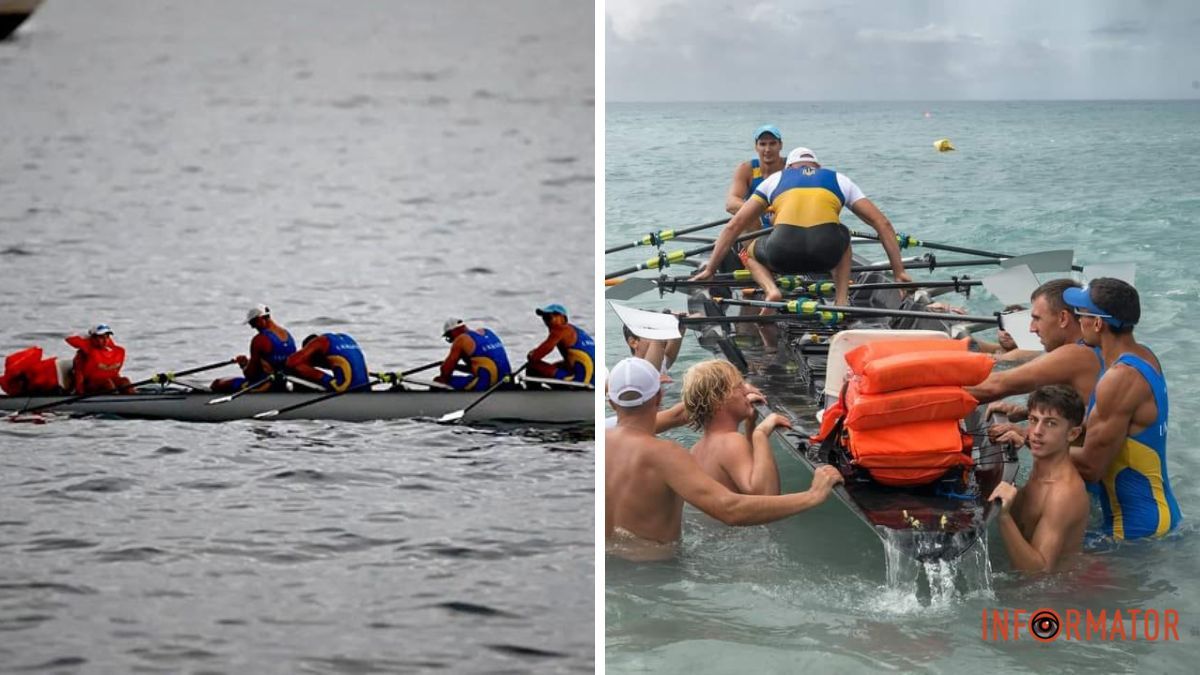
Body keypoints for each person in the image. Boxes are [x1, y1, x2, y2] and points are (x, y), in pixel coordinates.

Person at [605, 357, 843, 559]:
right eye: (739, 386)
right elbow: (731, 510)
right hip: (657, 572)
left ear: (611, 402)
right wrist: (812, 495)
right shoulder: (665, 454)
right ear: (658, 397)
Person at [693, 147, 912, 308]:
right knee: (843, 235)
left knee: (747, 251)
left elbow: (733, 227)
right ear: (817, 166)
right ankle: (842, 300)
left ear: (789, 167)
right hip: (824, 256)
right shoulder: (839, 179)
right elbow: (882, 223)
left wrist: (711, 269)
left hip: (781, 255)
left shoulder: (776, 179)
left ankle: (772, 291)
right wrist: (899, 271)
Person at [1064, 278, 1182, 540]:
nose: (1077, 320)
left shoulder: (1120, 377)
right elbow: (1106, 424)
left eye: (1080, 314)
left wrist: (1031, 441)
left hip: (1137, 531)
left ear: (1098, 323)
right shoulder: (1143, 356)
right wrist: (1038, 421)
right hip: (1155, 517)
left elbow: (1092, 468)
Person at [988, 385, 1091, 573]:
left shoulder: (1063, 494)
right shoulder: (1044, 469)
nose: (1036, 431)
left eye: (1050, 423)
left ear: (1072, 434)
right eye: (1033, 420)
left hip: (1053, 596)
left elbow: (1040, 571)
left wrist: (1004, 517)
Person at [968, 280, 1104, 418]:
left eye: (1037, 319)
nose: (1032, 328)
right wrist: (1028, 415)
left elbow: (994, 386)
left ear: (1063, 318)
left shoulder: (1075, 355)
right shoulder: (1092, 349)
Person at [683, 360, 783, 496]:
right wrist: (761, 434)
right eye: (739, 386)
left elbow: (752, 471)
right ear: (719, 400)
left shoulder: (696, 450)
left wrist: (750, 425)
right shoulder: (731, 442)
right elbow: (765, 496)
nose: (747, 391)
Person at [210, 305, 297, 393]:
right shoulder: (287, 335)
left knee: (217, 383)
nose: (253, 327)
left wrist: (244, 365)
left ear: (259, 319)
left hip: (263, 385)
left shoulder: (259, 340)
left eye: (252, 323)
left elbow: (251, 375)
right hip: (285, 383)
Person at [726, 124, 785, 229]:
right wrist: (759, 209)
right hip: (757, 229)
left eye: (772, 144)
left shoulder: (790, 166)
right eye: (762, 144)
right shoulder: (746, 169)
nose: (767, 149)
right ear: (756, 147)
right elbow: (731, 203)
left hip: (784, 227)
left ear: (780, 145)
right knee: (746, 218)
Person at [436, 318, 513, 391]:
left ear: (453, 332)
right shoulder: (487, 332)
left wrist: (446, 367)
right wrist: (457, 367)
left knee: (438, 382)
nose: (452, 341)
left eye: (449, 338)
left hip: (488, 383)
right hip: (507, 380)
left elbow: (445, 372)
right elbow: (485, 367)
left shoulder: (461, 339)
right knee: (473, 377)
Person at [526, 304, 595, 385]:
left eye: (549, 317)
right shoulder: (575, 330)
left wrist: (531, 354)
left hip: (581, 380)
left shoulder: (559, 330)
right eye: (544, 318)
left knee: (533, 366)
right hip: (594, 378)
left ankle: (533, 395)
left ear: (562, 317)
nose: (547, 322)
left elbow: (536, 356)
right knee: (556, 366)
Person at [285, 333, 370, 392]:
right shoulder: (346, 338)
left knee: (296, 368)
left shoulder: (320, 342)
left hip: (343, 388)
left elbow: (290, 362)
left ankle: (298, 396)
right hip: (366, 388)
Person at [65, 324, 133, 395]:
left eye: (107, 337)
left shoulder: (116, 351)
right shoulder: (84, 353)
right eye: (101, 337)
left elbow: (114, 372)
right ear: (93, 338)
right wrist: (80, 392)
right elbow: (79, 374)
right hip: (90, 384)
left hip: (109, 382)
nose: (105, 340)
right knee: (107, 383)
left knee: (125, 381)